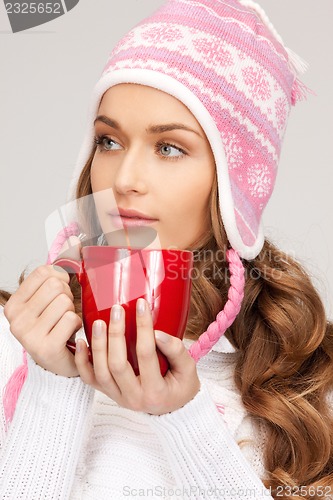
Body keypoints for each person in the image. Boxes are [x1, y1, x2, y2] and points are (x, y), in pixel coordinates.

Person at [0, 0, 332, 498]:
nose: (125, 179)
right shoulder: (19, 341)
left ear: (233, 183)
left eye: (169, 147)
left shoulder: (306, 380)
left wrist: (183, 418)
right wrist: (54, 384)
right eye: (108, 141)